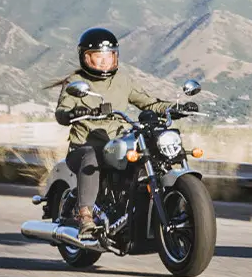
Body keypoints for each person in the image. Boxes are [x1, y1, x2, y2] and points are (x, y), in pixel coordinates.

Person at [51, 27, 196, 239]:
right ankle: (85, 217)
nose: (103, 62)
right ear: (84, 57)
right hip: (82, 148)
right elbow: (61, 112)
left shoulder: (122, 80)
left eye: (108, 57)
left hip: (115, 145)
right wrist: (75, 112)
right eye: (97, 57)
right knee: (91, 156)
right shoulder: (75, 82)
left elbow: (148, 102)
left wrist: (174, 108)